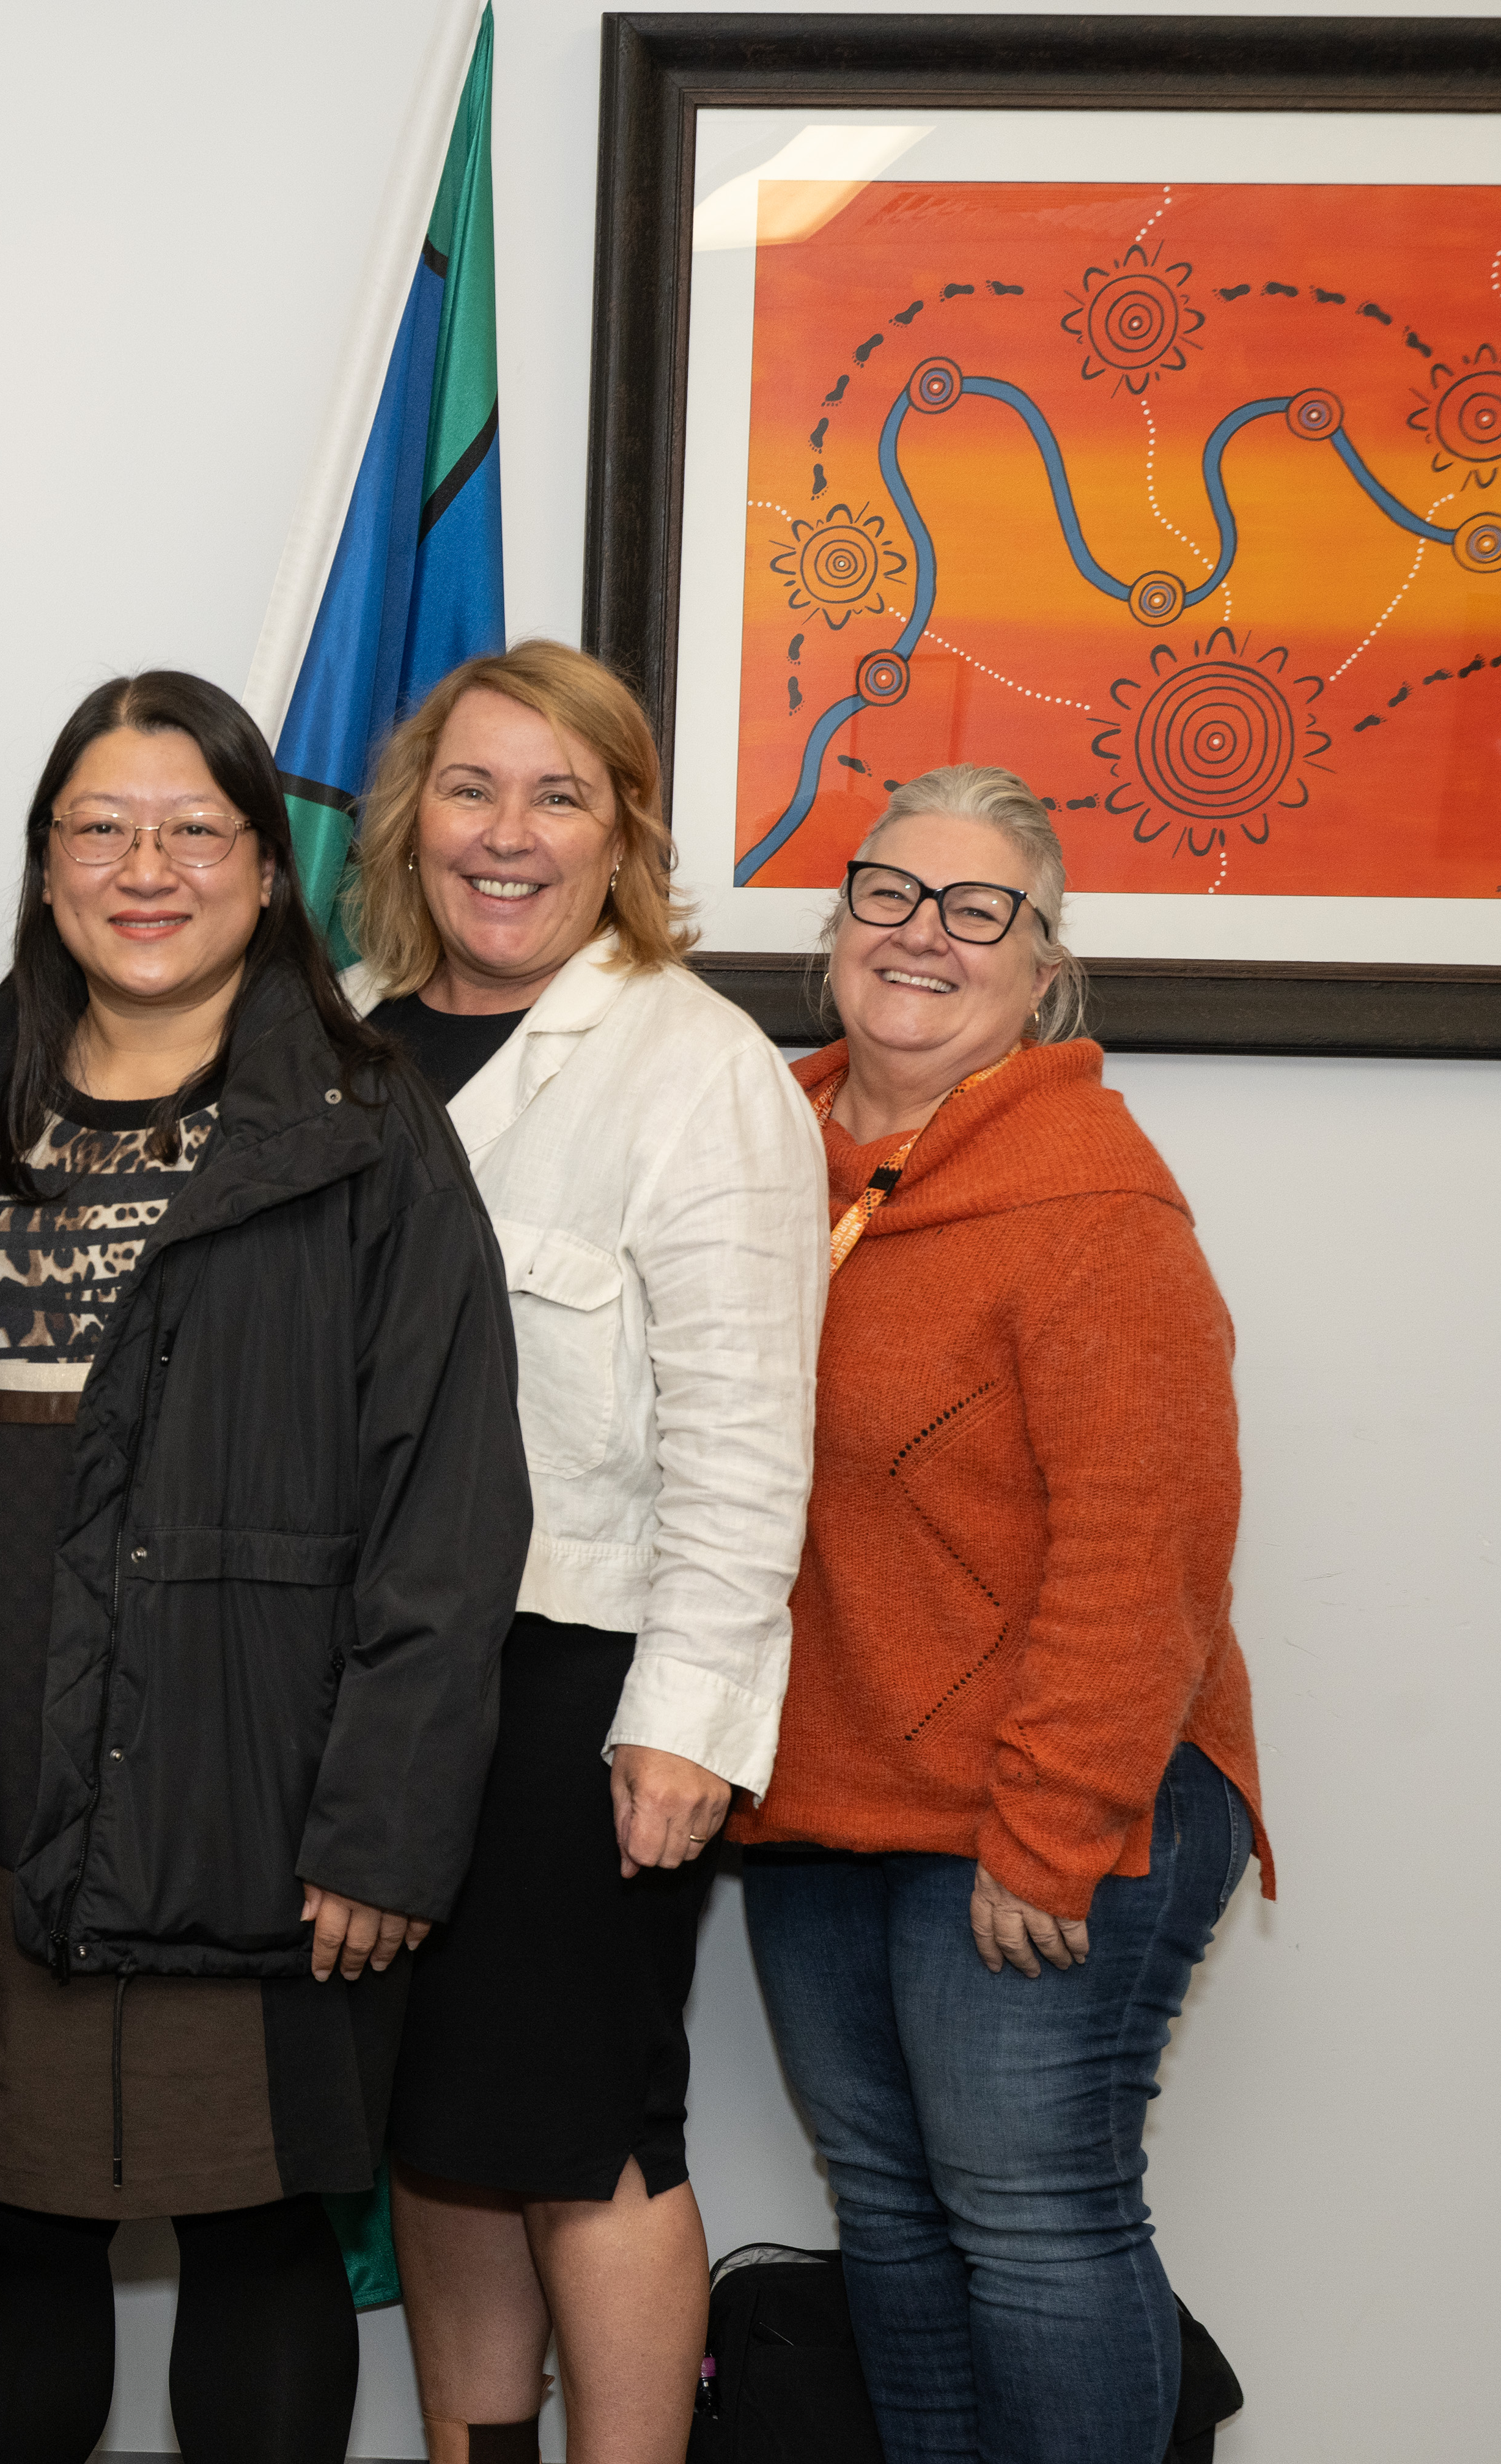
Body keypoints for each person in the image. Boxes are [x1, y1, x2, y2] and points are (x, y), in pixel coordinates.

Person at [0, 671, 530, 2464]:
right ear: (40, 868)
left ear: (268, 874)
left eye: (197, 831)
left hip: (259, 1807)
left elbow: (450, 1495)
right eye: (99, 828)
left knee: (262, 2243)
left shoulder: (364, 1123)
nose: (145, 868)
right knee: (16, 2237)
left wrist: (384, 1821)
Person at [734, 765, 1271, 2464]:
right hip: (827, 1800)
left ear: (1040, 971)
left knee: (1034, 2224)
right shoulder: (755, 1155)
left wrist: (1050, 1830)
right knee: (890, 2217)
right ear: (831, 927)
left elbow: (1149, 1548)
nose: (923, 936)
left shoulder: (1090, 1202)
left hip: (1048, 1805)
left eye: (980, 912)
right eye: (888, 894)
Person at [340, 642, 826, 2464]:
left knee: (587, 2131)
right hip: (384, 1680)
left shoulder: (695, 1073)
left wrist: (687, 1720)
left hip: (582, 1681)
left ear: (620, 829)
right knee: (439, 2125)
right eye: (471, 788)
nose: (507, 833)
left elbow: (744, 1438)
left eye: (560, 794)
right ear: (412, 816)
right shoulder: (351, 1038)